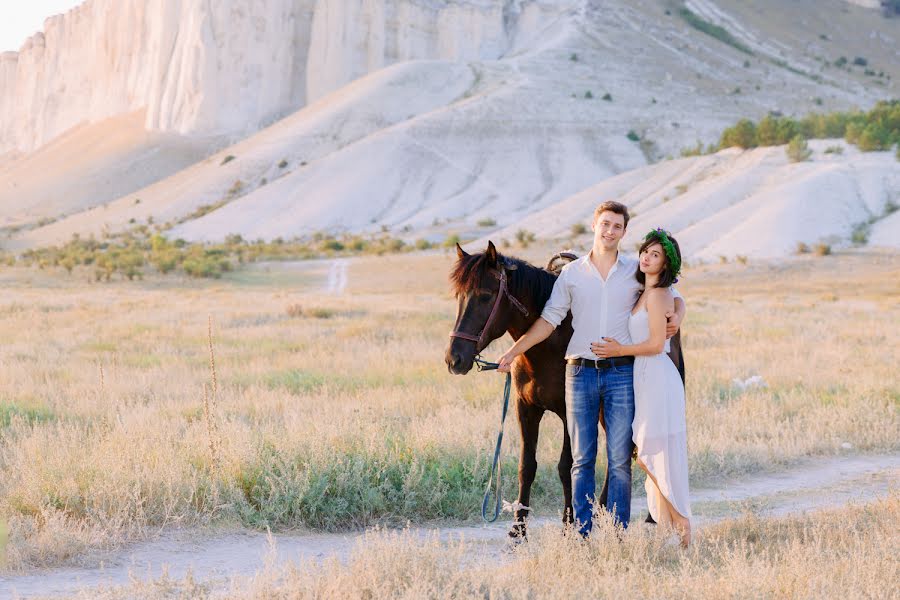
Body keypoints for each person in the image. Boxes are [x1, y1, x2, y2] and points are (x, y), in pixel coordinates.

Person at [497, 201, 685, 537]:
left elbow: (672, 292)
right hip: (579, 374)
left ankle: (616, 532)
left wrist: (679, 313)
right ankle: (581, 534)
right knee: (582, 459)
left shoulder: (634, 270)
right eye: (605, 224)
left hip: (620, 374)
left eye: (617, 226)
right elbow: (548, 321)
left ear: (624, 232)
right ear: (594, 226)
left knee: (618, 461)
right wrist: (513, 351)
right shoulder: (571, 274)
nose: (610, 231)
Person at [592, 228, 692, 546]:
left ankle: (682, 524)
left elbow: (654, 344)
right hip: (644, 378)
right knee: (650, 451)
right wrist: (679, 311)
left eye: (655, 255)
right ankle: (668, 529)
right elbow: (679, 300)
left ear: (666, 265)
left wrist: (616, 351)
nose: (646, 258)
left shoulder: (659, 293)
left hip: (657, 376)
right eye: (645, 252)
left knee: (650, 452)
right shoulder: (643, 291)